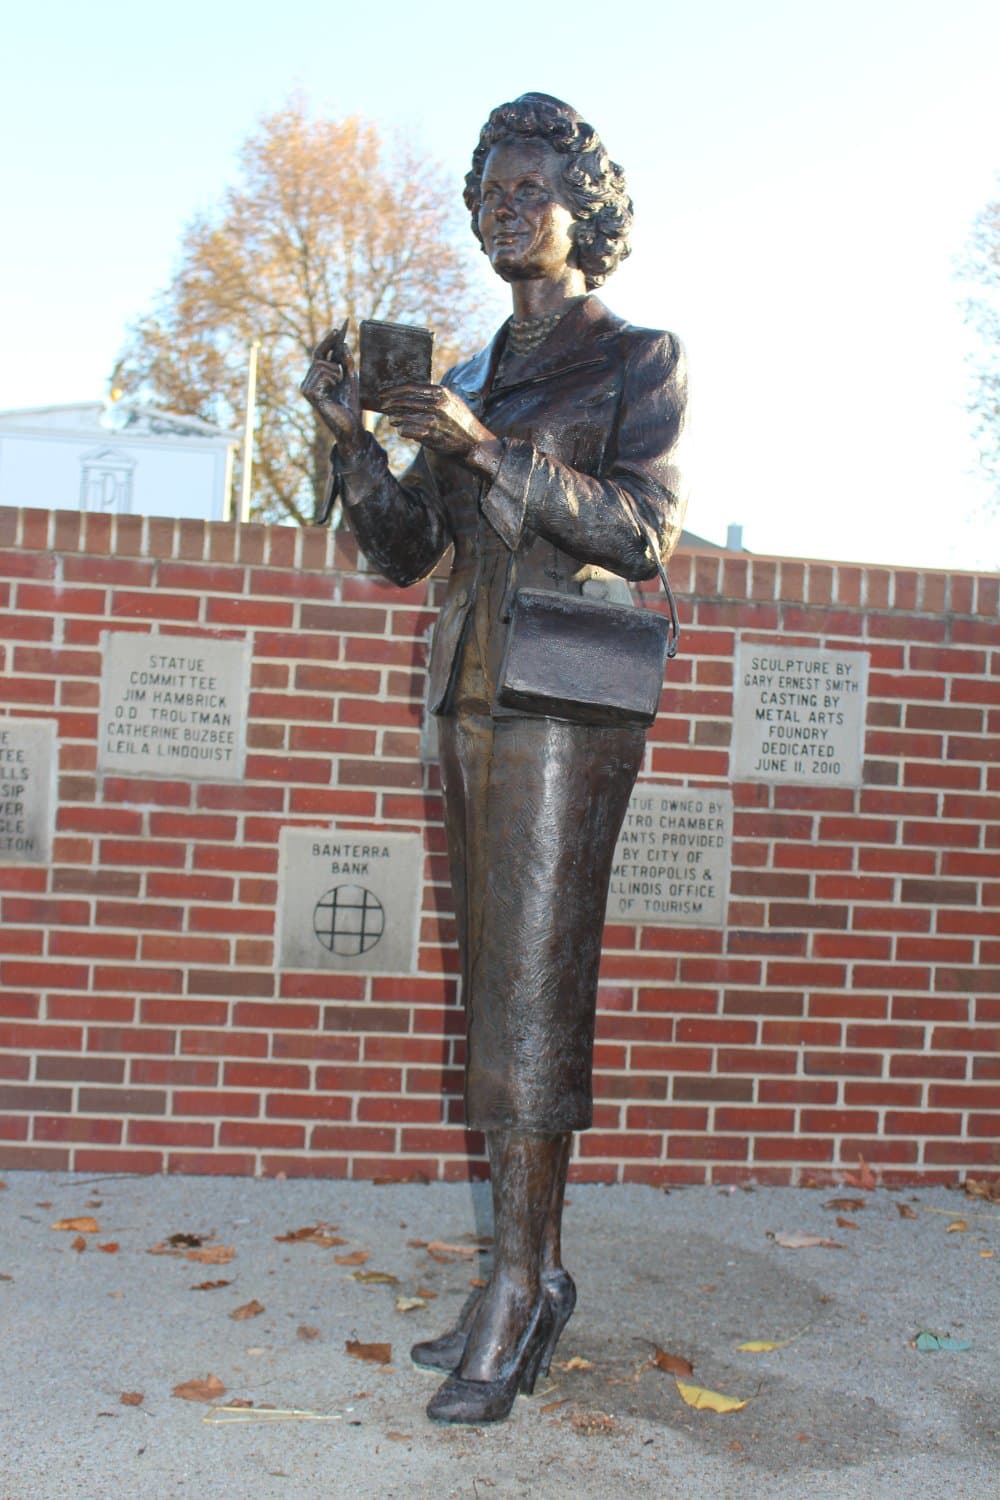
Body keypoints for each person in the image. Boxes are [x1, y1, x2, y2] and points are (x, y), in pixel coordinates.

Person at [301, 92, 687, 1425]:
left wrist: (493, 454)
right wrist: (355, 441)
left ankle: (520, 1286)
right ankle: (526, 1275)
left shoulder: (635, 357)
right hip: (468, 691)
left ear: (585, 212)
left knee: (533, 986)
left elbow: (642, 533)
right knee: (497, 986)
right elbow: (409, 551)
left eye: (532, 191)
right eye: (490, 193)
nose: (506, 210)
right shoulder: (464, 375)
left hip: (563, 702)